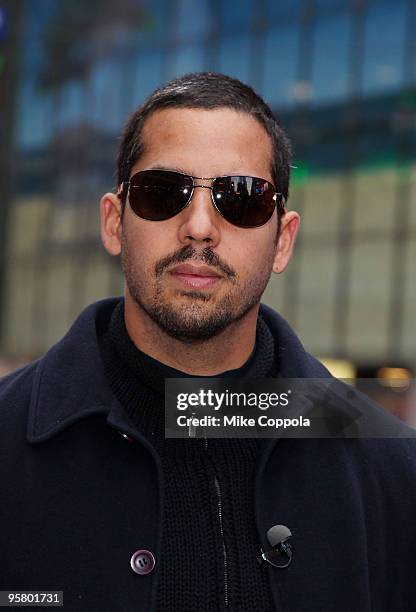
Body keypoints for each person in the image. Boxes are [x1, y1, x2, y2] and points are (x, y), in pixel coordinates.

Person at [0, 72, 415, 612]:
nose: (199, 227)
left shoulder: (393, 472)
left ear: (282, 241)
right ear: (113, 222)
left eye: (240, 199)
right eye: (162, 192)